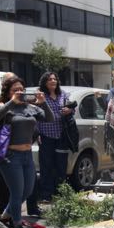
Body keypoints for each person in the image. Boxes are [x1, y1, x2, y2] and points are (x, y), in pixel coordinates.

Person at [0, 75, 53, 228]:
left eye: (21, 89)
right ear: (8, 92)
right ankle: (17, 226)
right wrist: (12, 101)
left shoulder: (29, 107)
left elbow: (50, 118)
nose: (19, 92)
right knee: (17, 193)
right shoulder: (5, 106)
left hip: (27, 155)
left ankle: (6, 215)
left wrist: (43, 101)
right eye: (15, 90)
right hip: (10, 156)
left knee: (28, 189)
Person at [35, 71, 75, 202]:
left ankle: (60, 193)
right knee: (46, 165)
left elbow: (71, 108)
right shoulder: (40, 95)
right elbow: (34, 115)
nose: (53, 81)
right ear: (45, 82)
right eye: (50, 79)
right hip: (45, 135)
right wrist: (37, 133)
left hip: (61, 135)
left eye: (54, 79)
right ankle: (46, 194)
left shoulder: (62, 94)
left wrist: (69, 110)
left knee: (61, 165)